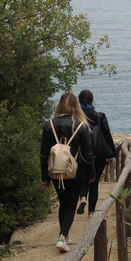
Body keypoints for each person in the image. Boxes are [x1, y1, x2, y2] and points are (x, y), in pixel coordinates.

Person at [40, 92, 96, 252]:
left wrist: (44, 175)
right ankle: (62, 237)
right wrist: (91, 173)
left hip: (56, 170)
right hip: (75, 170)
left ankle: (64, 234)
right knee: (71, 204)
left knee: (63, 203)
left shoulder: (48, 125)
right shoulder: (80, 126)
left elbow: (44, 153)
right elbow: (87, 153)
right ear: (75, 106)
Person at [78, 89, 117, 218]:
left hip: (82, 153)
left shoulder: (76, 117)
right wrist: (111, 152)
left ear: (79, 101)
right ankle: (91, 212)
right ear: (92, 101)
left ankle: (83, 197)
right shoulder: (100, 116)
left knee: (82, 179)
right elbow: (106, 135)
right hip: (98, 154)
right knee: (94, 183)